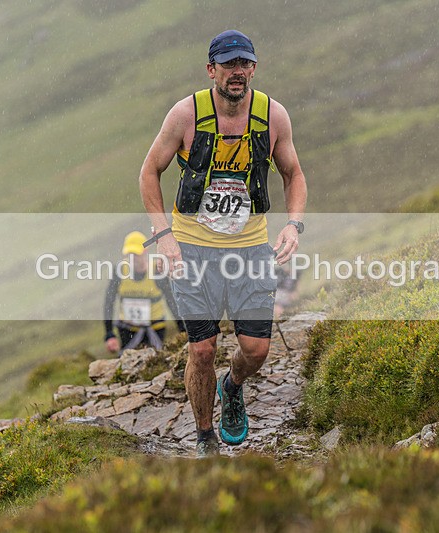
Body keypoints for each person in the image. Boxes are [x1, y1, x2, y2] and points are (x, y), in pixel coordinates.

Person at [139, 30, 307, 457]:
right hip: (192, 248)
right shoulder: (185, 115)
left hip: (250, 248)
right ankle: (204, 436)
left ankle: (232, 387)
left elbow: (293, 174)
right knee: (202, 347)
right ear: (211, 69)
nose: (237, 72)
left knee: (256, 349)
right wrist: (163, 236)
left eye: (244, 63)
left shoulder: (273, 116)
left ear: (253, 67)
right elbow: (148, 173)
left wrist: (294, 226)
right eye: (228, 64)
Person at [103, 230, 184, 354]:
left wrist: (182, 330)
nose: (132, 258)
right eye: (129, 254)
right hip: (127, 330)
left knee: (155, 363)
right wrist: (109, 334)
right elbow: (109, 301)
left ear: (145, 252)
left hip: (155, 329)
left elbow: (171, 301)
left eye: (135, 254)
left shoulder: (157, 271)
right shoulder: (120, 271)